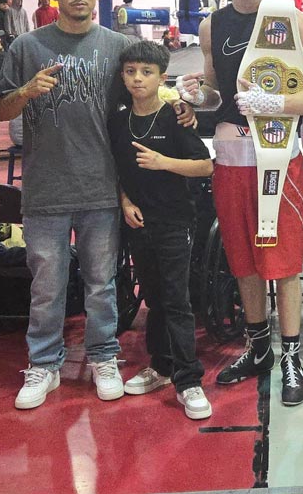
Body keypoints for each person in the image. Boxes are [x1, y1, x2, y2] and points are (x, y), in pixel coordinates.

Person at [0, 0, 193, 411]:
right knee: (48, 282)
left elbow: (149, 96)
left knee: (103, 282)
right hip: (45, 189)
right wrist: (26, 91)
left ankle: (104, 355)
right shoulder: (26, 48)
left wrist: (181, 106)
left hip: (102, 187)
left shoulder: (118, 47)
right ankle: (43, 363)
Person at [180, 0, 303, 406]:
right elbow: (217, 95)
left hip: (279, 154)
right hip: (230, 155)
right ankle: (257, 347)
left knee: (284, 257)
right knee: (243, 258)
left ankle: (290, 353)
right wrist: (195, 97)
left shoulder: (292, 19)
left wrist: (275, 101)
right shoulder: (212, 25)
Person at [108, 41, 213, 420]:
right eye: (131, 72)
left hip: (175, 220)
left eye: (146, 72)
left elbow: (205, 166)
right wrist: (125, 202)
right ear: (123, 75)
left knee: (176, 298)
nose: (138, 79)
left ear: (161, 78)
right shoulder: (119, 120)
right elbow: (117, 169)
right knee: (152, 296)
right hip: (139, 221)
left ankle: (189, 380)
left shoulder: (174, 117)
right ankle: (162, 366)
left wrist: (163, 162)